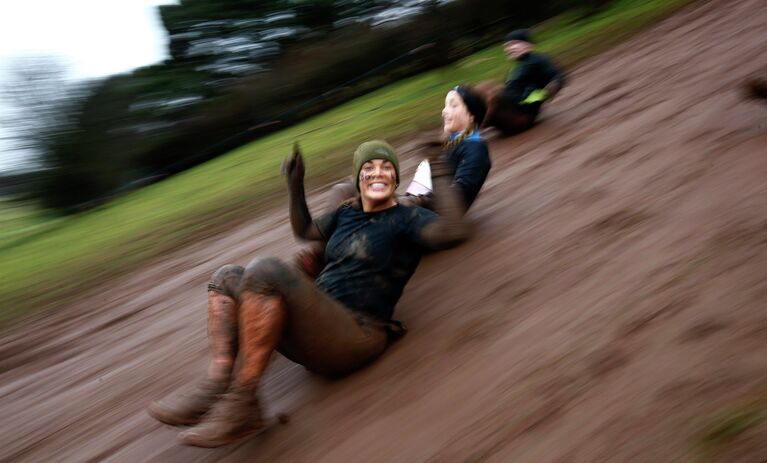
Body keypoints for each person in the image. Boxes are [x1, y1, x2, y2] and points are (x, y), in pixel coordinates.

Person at [147, 140, 469, 448]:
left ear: (396, 178)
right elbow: (304, 230)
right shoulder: (346, 214)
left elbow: (453, 231)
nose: (377, 173)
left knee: (266, 270)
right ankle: (217, 383)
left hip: (357, 333)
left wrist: (439, 168)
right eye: (368, 168)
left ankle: (242, 402)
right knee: (226, 277)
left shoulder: (407, 218)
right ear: (358, 179)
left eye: (386, 167)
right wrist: (295, 185)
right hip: (319, 325)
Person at [296, 84, 491, 277]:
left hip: (427, 220)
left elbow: (458, 199)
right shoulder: (452, 144)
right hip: (416, 207)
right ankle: (323, 254)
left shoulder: (475, 149)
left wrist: (412, 196)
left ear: (471, 116)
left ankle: (322, 256)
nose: (444, 111)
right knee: (351, 188)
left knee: (347, 190)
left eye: (453, 105)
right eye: (445, 105)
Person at [477, 28, 566, 135]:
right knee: (475, 94)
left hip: (522, 115)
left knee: (488, 89)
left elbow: (559, 77)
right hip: (509, 116)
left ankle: (473, 129)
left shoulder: (538, 59)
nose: (509, 48)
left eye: (514, 43)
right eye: (507, 46)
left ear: (528, 45)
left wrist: (546, 92)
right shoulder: (517, 68)